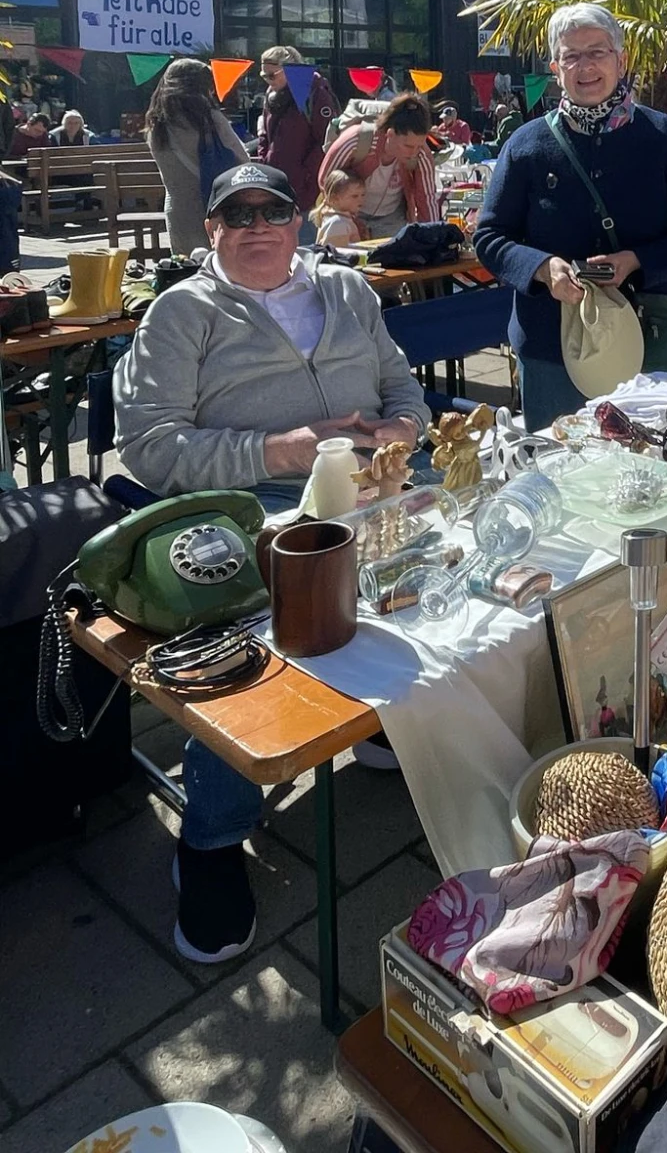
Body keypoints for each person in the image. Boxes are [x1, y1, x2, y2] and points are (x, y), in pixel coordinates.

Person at [112, 161, 429, 962]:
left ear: (299, 219)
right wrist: (279, 449)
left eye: (274, 208)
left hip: (370, 483)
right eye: (237, 211)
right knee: (248, 665)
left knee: (444, 578)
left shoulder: (347, 290)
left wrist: (406, 428)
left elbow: (400, 383)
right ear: (210, 228)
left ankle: (387, 717)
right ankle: (212, 842)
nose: (258, 223)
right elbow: (148, 449)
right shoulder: (183, 312)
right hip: (250, 506)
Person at [475, 3, 667, 429]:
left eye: (597, 52)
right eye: (571, 55)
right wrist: (542, 269)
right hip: (552, 347)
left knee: (653, 471)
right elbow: (490, 237)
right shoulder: (526, 145)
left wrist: (638, 261)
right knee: (560, 473)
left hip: (649, 340)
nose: (585, 66)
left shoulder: (664, 138)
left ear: (621, 60)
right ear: (555, 68)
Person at [145, 58, 247, 255]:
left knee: (187, 271)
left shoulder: (155, 123)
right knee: (217, 272)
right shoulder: (208, 118)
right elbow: (241, 158)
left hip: (177, 208)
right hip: (212, 207)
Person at [319, 94, 438, 238]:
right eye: (408, 146)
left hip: (392, 219)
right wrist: (350, 218)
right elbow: (327, 181)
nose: (413, 152)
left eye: (419, 146)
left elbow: (427, 197)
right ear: (391, 134)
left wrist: (433, 237)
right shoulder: (356, 140)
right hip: (348, 218)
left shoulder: (421, 155)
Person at [254, 46, 337, 232]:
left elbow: (325, 141)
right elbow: (264, 134)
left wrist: (305, 175)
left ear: (289, 70)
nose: (268, 81)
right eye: (263, 75)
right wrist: (264, 161)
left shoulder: (315, 93)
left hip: (306, 190)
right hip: (276, 183)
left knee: (303, 245)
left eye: (272, 75)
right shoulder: (271, 94)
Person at [313, 168, 368, 246]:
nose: (361, 200)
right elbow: (336, 255)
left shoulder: (343, 219)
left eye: (363, 195)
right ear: (334, 198)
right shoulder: (338, 224)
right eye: (354, 196)